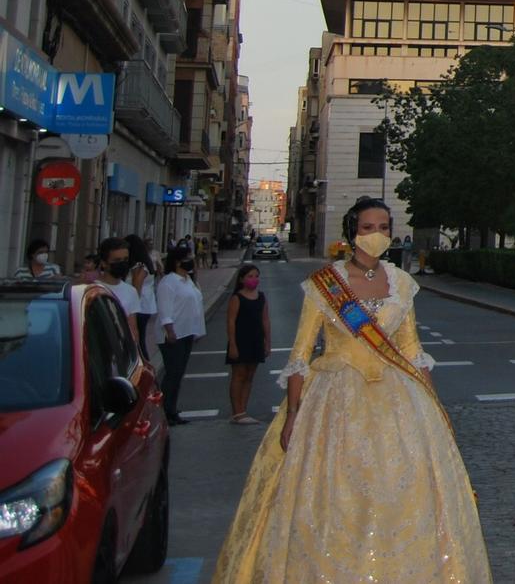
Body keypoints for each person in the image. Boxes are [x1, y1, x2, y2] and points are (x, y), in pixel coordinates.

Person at [212, 197, 491, 582]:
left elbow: (412, 349)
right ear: (351, 233)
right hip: (335, 400)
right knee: (333, 500)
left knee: (405, 494)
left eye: (383, 228)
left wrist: (435, 407)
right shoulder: (324, 286)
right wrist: (293, 414)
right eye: (367, 228)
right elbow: (299, 355)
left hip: (398, 400)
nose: (376, 235)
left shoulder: (402, 284)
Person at [155, 247, 205, 425]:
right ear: (177, 261)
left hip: (187, 332)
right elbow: (164, 309)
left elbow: (196, 305)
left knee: (178, 375)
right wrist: (169, 330)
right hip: (172, 335)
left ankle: (171, 410)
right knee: (172, 374)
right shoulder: (168, 282)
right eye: (188, 257)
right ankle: (163, 411)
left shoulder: (188, 280)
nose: (191, 260)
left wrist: (197, 330)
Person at [225, 260, 272, 424]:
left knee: (250, 376)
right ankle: (236, 412)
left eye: (256, 276)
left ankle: (243, 410)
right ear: (242, 279)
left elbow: (265, 320)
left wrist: (268, 342)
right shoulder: (237, 298)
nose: (254, 279)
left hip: (256, 339)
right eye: (250, 276)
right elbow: (231, 321)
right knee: (238, 375)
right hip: (240, 339)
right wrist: (232, 344)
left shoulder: (261, 297)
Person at [98, 236, 142, 345]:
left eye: (125, 260)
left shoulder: (131, 292)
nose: (122, 264)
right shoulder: (92, 289)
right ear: (104, 263)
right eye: (117, 260)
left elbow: (133, 330)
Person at [127, 234, 158, 364]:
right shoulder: (147, 263)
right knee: (140, 338)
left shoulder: (139, 267)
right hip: (147, 305)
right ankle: (144, 364)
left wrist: (131, 307)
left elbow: (136, 288)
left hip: (140, 306)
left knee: (137, 340)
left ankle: (144, 365)